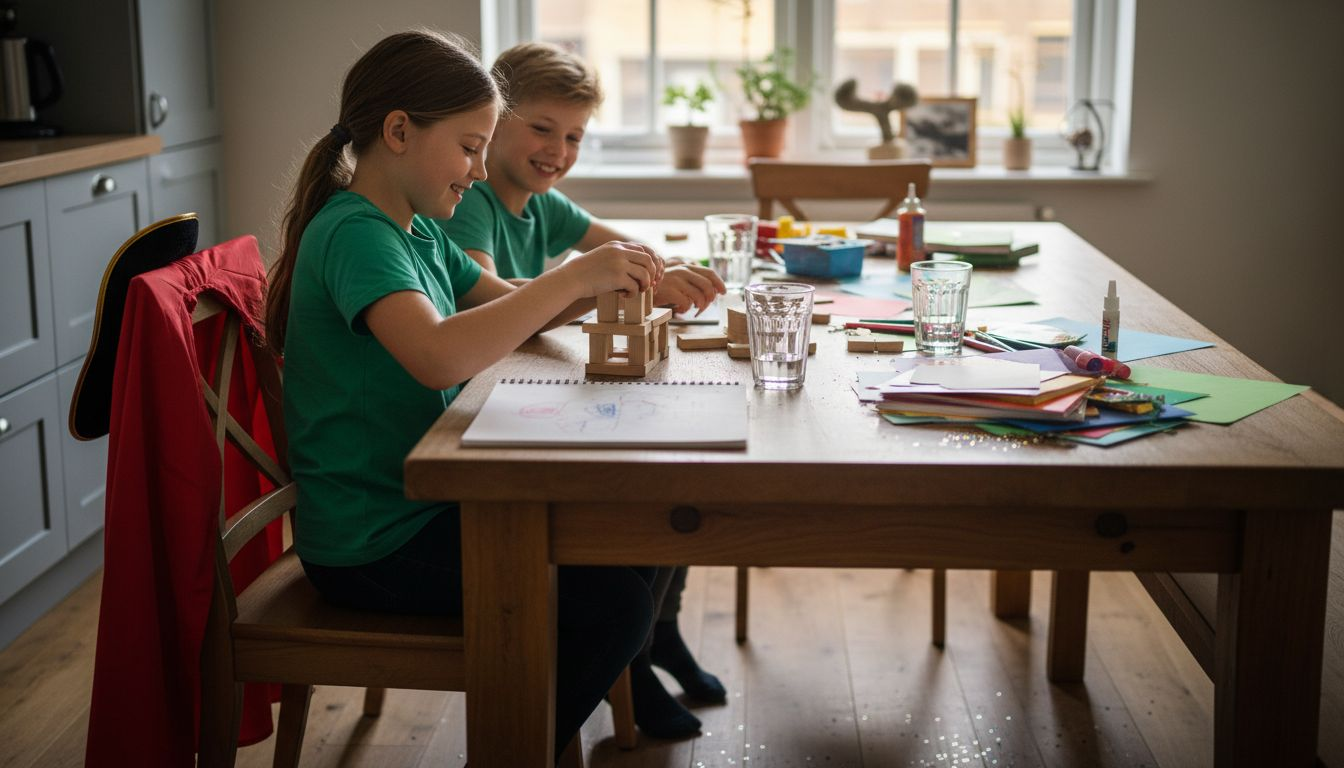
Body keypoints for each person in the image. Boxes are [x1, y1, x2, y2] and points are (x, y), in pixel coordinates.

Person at [263, 29, 666, 763]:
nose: (480, 171)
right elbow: (436, 354)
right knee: (617, 606)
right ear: (397, 132)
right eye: (470, 146)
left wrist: (612, 280)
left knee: (638, 535)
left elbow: (511, 305)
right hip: (373, 541)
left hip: (415, 511)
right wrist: (576, 277)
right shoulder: (356, 233)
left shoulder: (413, 229)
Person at [436, 41, 727, 741]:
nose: (558, 150)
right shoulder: (472, 204)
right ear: (493, 122)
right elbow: (497, 302)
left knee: (669, 483)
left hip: (516, 399)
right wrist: (595, 282)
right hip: (481, 424)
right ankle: (632, 659)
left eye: (574, 136)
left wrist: (664, 269)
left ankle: (654, 642)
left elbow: (622, 256)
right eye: (541, 128)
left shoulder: (544, 205)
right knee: (647, 497)